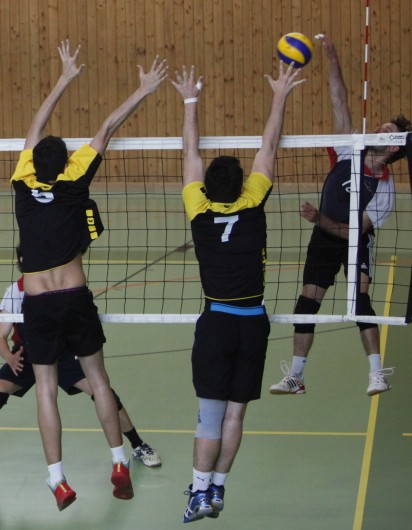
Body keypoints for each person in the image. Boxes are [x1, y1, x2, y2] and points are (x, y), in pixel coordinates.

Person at [10, 40, 167, 510]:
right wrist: (143, 90)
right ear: (66, 163)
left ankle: (57, 479)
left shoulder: (21, 181)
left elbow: (34, 125)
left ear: (34, 161)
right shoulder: (76, 180)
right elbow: (107, 127)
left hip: (38, 301)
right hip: (75, 296)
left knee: (45, 388)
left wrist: (63, 78)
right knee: (99, 379)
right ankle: (118, 461)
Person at [170, 62, 305, 523]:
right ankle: (217, 489)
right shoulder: (255, 202)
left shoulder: (198, 208)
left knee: (209, 418)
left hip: (217, 323)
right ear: (244, 184)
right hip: (253, 324)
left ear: (206, 187)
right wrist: (280, 94)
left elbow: (190, 150)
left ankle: (199, 492)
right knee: (235, 416)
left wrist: (191, 100)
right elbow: (269, 145)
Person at [269, 34, 412, 397]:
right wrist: (331, 59)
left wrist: (319, 219)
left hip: (354, 241)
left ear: (395, 148)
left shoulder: (385, 189)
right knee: (307, 302)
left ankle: (377, 374)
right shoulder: (349, 149)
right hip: (323, 237)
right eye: (381, 126)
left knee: (360, 302)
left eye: (388, 131)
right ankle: (296, 377)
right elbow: (339, 100)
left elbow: (355, 232)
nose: (380, 129)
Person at [0, 254, 162, 470]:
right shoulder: (15, 291)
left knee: (102, 392)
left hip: (64, 354)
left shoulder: (62, 285)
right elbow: (1, 334)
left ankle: (138, 444)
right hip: (28, 355)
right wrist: (9, 357)